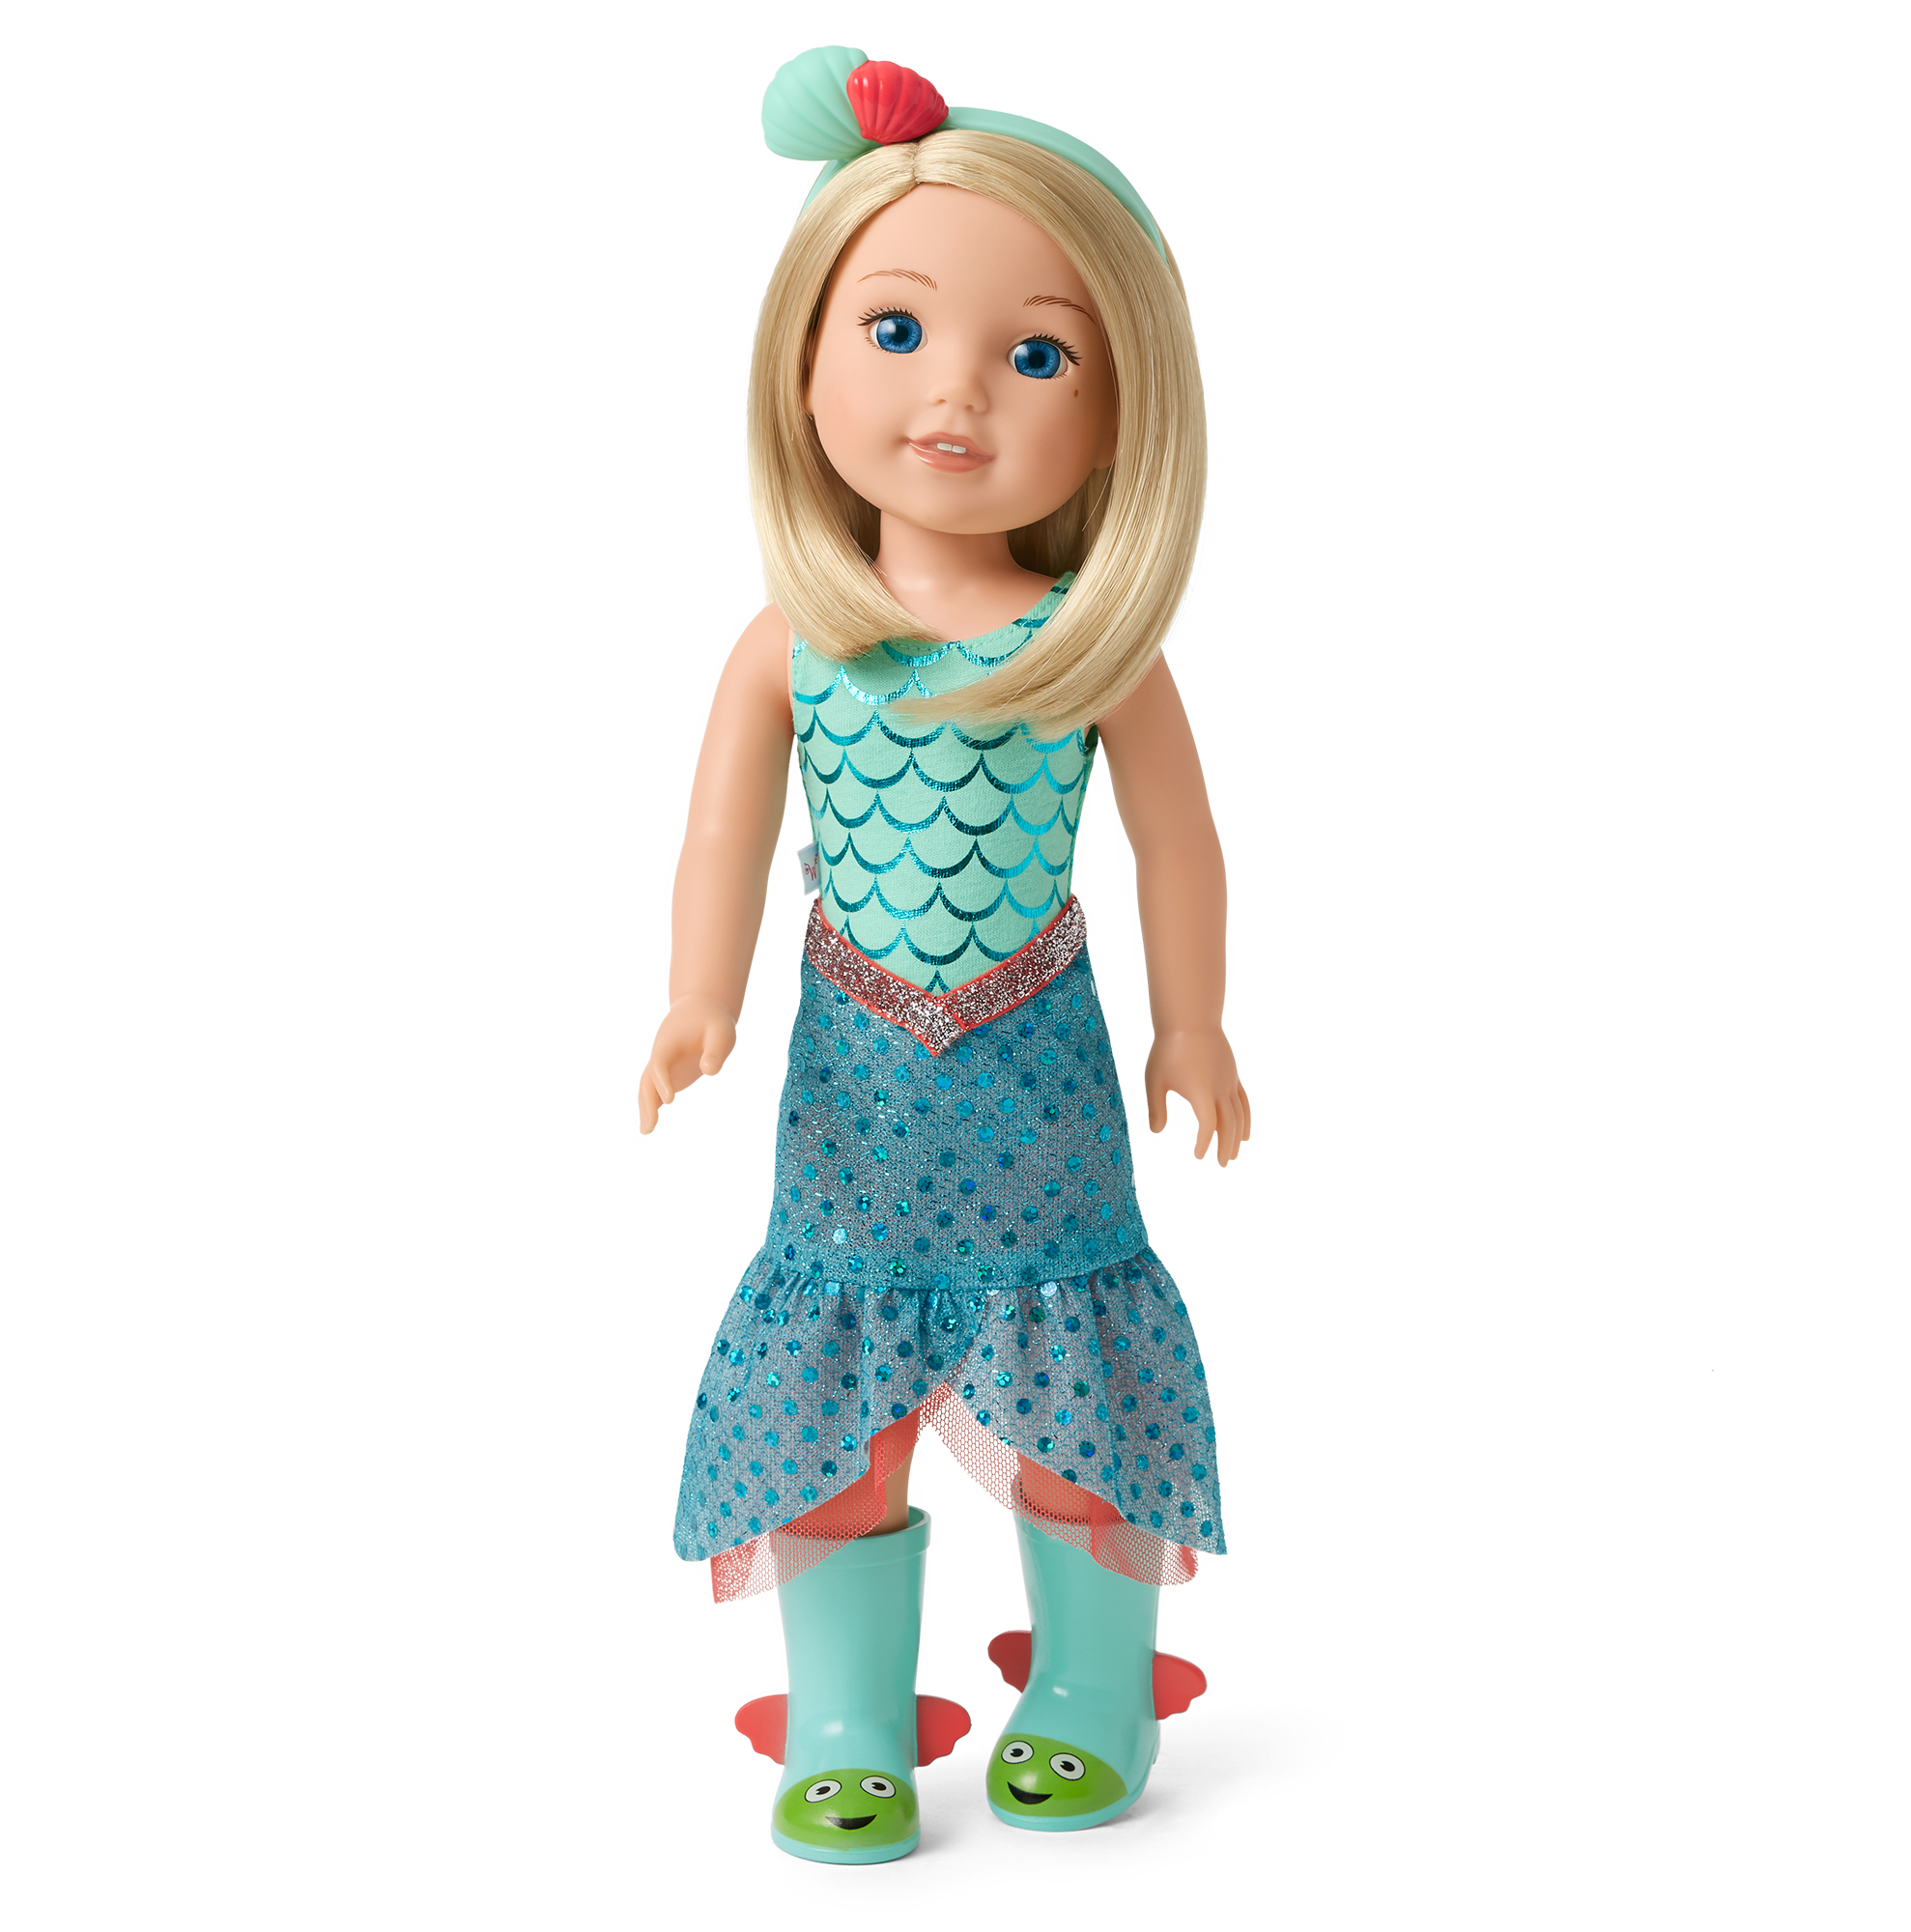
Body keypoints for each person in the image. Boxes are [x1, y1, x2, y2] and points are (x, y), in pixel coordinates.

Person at [646, 47, 1249, 1866]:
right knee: (845, 1418)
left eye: (1038, 355)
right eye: (895, 331)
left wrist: (1195, 1024)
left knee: (1074, 1397)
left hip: (1041, 1079)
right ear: (804, 361)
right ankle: (845, 1715)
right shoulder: (790, 644)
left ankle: (1089, 1681)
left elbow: (1178, 842)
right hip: (852, 1093)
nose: (956, 395)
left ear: (1121, 411)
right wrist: (696, 999)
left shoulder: (1088, 649)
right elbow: (723, 840)